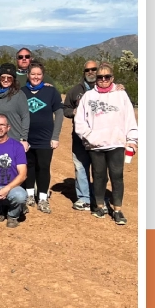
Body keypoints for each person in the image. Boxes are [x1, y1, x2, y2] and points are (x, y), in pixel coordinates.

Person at [73, 63, 139, 225]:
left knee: (117, 177)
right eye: (100, 77)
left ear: (112, 78)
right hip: (95, 146)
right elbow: (79, 121)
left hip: (116, 143)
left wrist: (132, 139)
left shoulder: (121, 95)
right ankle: (100, 206)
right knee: (99, 176)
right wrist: (90, 137)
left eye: (106, 77)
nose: (103, 80)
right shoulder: (88, 96)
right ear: (96, 79)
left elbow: (130, 118)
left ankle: (117, 210)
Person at [22, 62, 64, 214]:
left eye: (39, 74)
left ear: (43, 75)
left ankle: (43, 198)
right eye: (33, 74)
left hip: (45, 138)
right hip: (26, 137)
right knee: (28, 166)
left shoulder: (51, 92)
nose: (36, 77)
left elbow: (59, 113)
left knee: (44, 167)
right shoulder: (22, 92)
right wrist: (21, 138)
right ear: (28, 75)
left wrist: (55, 136)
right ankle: (29, 196)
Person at [62, 60, 101, 211]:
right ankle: (84, 198)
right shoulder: (75, 91)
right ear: (84, 73)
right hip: (79, 136)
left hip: (100, 136)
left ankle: (98, 197)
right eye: (87, 70)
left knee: (99, 168)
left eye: (94, 69)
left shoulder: (107, 89)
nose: (91, 72)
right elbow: (65, 109)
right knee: (81, 166)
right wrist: (73, 112)